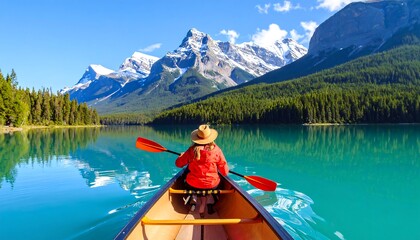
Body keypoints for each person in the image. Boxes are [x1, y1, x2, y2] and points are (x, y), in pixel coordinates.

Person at [175, 124, 229, 217]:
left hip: (193, 185)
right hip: (212, 185)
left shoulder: (191, 151)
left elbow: (178, 164)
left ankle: (194, 197)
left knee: (186, 172)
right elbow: (224, 172)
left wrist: (181, 156)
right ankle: (208, 201)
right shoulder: (217, 151)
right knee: (216, 178)